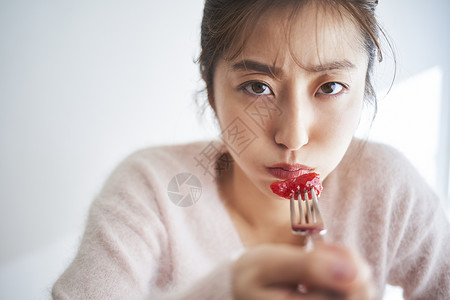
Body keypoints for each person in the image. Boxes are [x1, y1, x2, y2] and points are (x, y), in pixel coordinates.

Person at [52, 0, 450, 299]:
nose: (292, 137)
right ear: (211, 91)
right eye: (257, 86)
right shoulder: (153, 191)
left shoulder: (390, 186)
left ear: (365, 87)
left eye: (329, 87)